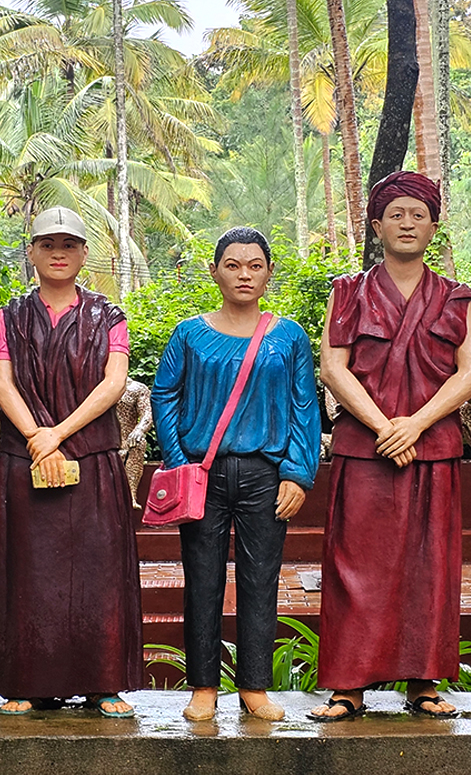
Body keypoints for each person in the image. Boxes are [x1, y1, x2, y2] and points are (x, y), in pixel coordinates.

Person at [311, 171, 471, 721]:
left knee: (429, 569)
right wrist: (385, 426)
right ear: (376, 226)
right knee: (354, 568)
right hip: (364, 451)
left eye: (418, 215)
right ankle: (347, 687)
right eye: (395, 215)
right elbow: (332, 366)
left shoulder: (455, 296)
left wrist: (416, 424)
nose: (407, 224)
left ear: (433, 227)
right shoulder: (348, 292)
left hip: (432, 449)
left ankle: (424, 683)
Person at [152, 227, 321, 722]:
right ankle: (203, 686)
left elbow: (304, 407)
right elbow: (165, 394)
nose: (244, 274)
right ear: (214, 272)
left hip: (266, 475)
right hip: (201, 473)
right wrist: (178, 459)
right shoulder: (189, 334)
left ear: (269, 273)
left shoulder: (288, 338)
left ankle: (254, 685)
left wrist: (298, 473)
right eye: (232, 265)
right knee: (201, 579)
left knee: (261, 580)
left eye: (254, 265)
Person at [0, 206, 142, 717]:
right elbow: (2, 382)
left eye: (69, 244)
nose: (59, 253)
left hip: (92, 459)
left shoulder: (108, 315)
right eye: (48, 244)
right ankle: (27, 683)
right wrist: (36, 435)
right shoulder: (10, 316)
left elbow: (114, 383)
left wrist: (57, 433)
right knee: (27, 573)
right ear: (31, 252)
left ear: (84, 253)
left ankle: (103, 683)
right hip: (25, 460)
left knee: (100, 573)